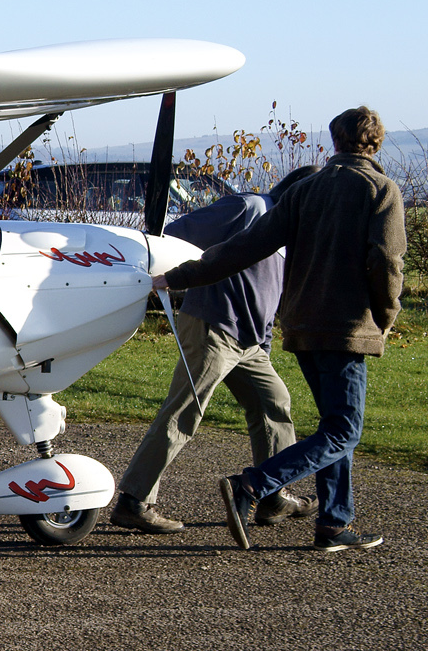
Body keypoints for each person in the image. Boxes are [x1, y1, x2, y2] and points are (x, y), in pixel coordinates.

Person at [154, 106, 405, 552]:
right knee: (345, 430)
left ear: (335, 140)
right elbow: (387, 262)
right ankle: (252, 485)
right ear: (377, 143)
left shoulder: (305, 190)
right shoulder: (381, 190)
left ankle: (334, 522)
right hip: (347, 327)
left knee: (333, 426)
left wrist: (181, 276)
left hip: (302, 325)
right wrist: (385, 317)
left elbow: (244, 247)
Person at [111, 165, 321, 533]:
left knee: (274, 404)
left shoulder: (289, 233)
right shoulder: (251, 207)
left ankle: (272, 496)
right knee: (184, 413)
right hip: (214, 326)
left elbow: (270, 297)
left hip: (251, 342)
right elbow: (173, 238)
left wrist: (264, 343)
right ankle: (133, 501)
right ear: (301, 193)